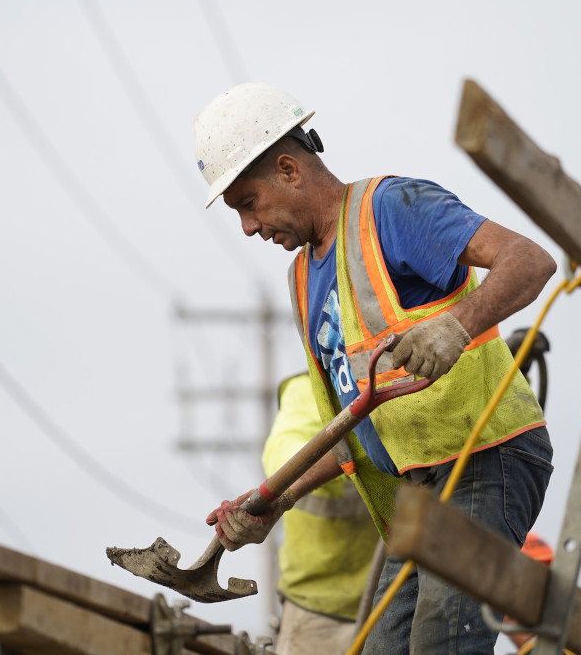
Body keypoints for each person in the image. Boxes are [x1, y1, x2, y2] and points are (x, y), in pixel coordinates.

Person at [197, 82, 556, 653]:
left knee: (443, 638)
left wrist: (455, 326)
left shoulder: (389, 210)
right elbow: (350, 434)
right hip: (418, 489)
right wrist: (274, 501)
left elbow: (530, 261)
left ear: (289, 170)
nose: (247, 226)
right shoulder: (302, 280)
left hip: (485, 458)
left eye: (247, 203)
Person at [263, 372, 383, 654]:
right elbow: (283, 458)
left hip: (397, 604)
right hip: (318, 611)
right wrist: (352, 461)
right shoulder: (309, 388)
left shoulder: (395, 379)